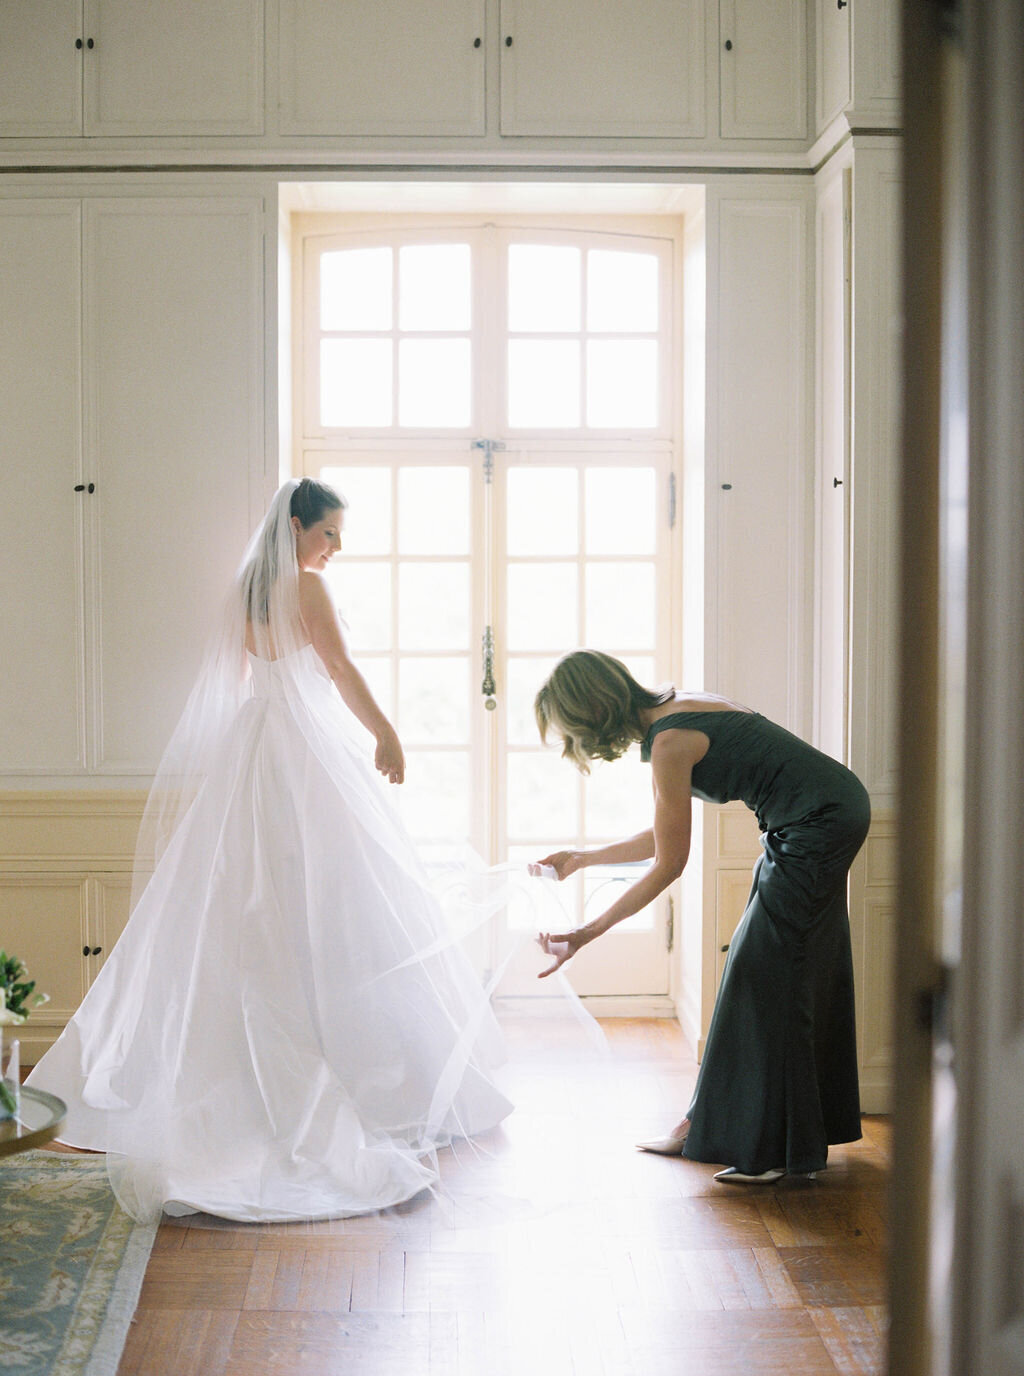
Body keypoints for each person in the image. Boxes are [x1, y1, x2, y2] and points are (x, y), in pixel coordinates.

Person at [27, 478, 511, 1222]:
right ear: (296, 526)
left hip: (254, 749)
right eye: (329, 534)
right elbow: (341, 672)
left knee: (257, 906)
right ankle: (360, 1078)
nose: (335, 548)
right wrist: (386, 732)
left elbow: (247, 682)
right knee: (336, 901)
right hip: (305, 753)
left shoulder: (243, 598)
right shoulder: (305, 589)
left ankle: (246, 1076)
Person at [532, 649, 870, 1183]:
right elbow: (664, 830)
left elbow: (670, 863)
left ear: (592, 712)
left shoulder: (669, 744)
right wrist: (584, 858)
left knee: (762, 978)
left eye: (573, 730)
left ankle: (772, 1152)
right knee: (768, 969)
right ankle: (710, 1125)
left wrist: (586, 933)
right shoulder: (677, 707)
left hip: (816, 824)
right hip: (817, 817)